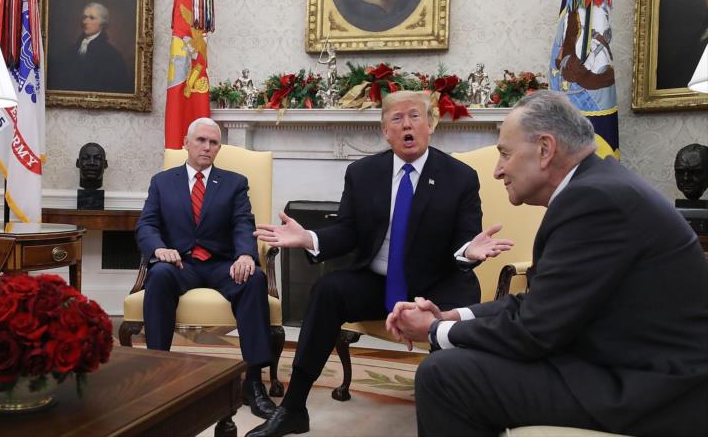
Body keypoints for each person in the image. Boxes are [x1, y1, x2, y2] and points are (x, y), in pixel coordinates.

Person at [386, 90, 708, 436]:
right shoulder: (597, 187)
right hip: (626, 363)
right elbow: (542, 302)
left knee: (444, 376)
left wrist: (433, 331)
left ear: (544, 149)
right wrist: (454, 316)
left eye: (505, 154)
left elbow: (534, 332)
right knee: (455, 363)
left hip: (652, 388)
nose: (497, 171)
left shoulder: (594, 200)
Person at [248, 90, 512, 437]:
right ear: (386, 131)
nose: (407, 125)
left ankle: (452, 414)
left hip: (439, 283)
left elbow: (465, 238)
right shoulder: (363, 173)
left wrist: (468, 251)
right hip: (380, 282)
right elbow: (347, 231)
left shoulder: (459, 176)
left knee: (457, 316)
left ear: (430, 125)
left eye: (415, 116)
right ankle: (294, 408)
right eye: (397, 119)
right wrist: (310, 238)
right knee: (328, 290)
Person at [135, 118, 277, 420]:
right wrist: (158, 249)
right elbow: (147, 225)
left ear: (218, 148)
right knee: (158, 275)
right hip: (180, 263)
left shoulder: (234, 182)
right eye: (201, 140)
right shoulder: (162, 181)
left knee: (254, 279)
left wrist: (246, 255)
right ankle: (158, 370)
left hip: (222, 264)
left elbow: (243, 223)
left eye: (213, 142)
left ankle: (254, 382)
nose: (207, 147)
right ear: (186, 143)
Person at [49, 2, 132, 94]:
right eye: (84, 17)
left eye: (92, 18)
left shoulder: (112, 55)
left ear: (102, 23)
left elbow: (118, 89)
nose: (85, 22)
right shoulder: (69, 51)